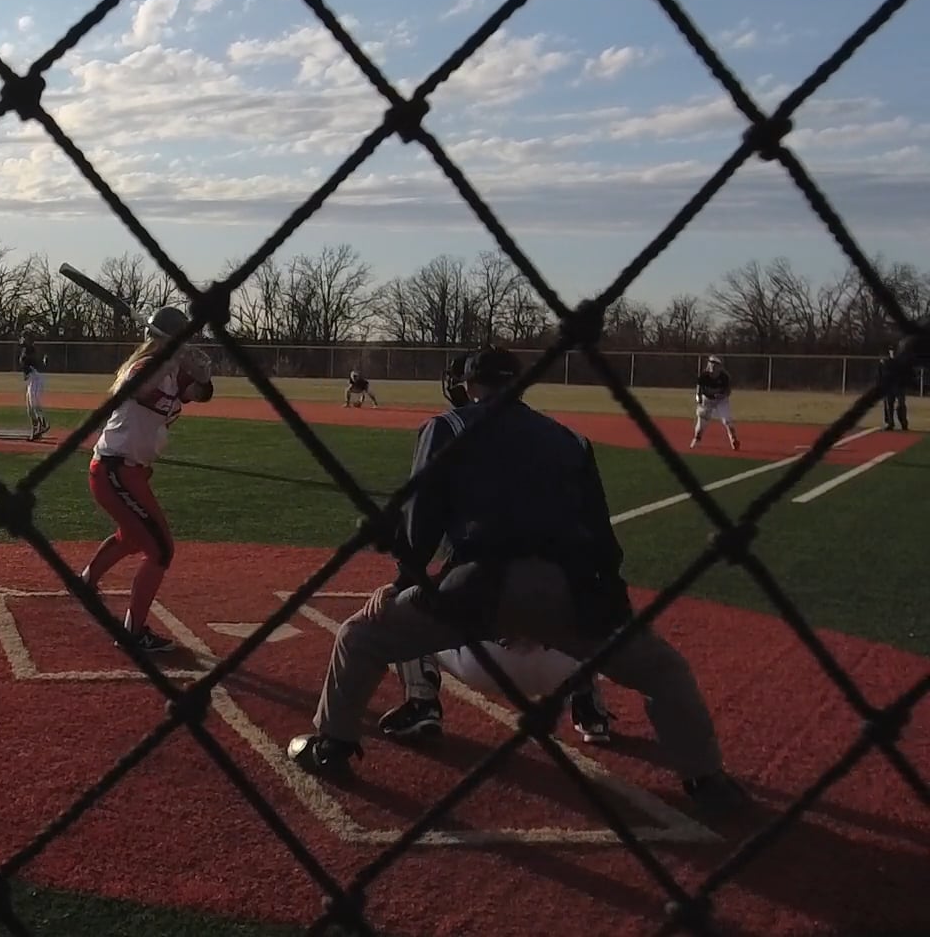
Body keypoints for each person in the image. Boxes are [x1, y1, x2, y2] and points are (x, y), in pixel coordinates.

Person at [286, 346, 747, 817]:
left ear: (469, 385)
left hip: (477, 589)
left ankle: (336, 745)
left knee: (360, 636)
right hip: (567, 592)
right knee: (664, 670)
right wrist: (609, 608)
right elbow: (602, 540)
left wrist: (403, 582)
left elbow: (420, 521)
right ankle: (707, 781)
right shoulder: (569, 439)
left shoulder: (448, 427)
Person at [378, 358, 615, 745]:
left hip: (482, 652)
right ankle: (589, 705)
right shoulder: (559, 442)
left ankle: (422, 702)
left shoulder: (449, 435)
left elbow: (419, 532)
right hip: (566, 658)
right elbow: (602, 551)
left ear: (470, 387)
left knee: (406, 601)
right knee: (591, 595)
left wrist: (402, 578)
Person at [78, 306, 213, 654]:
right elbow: (137, 389)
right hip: (114, 470)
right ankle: (133, 633)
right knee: (161, 549)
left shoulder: (172, 372)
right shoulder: (143, 367)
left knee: (133, 538)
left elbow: (200, 394)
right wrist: (169, 361)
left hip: (128, 472)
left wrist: (201, 378)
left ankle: (86, 582)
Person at [692, 354, 739, 451]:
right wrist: (699, 400)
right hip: (707, 400)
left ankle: (733, 439)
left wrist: (722, 395)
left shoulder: (724, 377)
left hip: (721, 401)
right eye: (711, 363)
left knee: (727, 420)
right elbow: (698, 392)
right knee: (702, 423)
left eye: (715, 364)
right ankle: (697, 439)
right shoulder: (704, 376)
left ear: (720, 367)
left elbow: (728, 392)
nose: (713, 366)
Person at [20, 331, 48, 441]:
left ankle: (43, 424)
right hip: (30, 379)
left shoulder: (30, 349)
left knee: (34, 403)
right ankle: (36, 431)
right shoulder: (25, 349)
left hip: (35, 378)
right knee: (29, 408)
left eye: (25, 337)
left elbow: (28, 358)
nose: (22, 339)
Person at [878, 344, 911, 432]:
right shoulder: (885, 361)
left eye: (893, 350)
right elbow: (881, 373)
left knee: (901, 404)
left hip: (899, 386)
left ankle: (903, 423)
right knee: (889, 405)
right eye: (890, 350)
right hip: (889, 385)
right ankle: (890, 423)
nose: (891, 352)